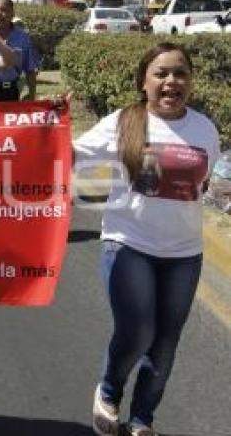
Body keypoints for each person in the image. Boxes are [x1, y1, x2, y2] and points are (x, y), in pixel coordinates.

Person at [74, 43, 220, 436]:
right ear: (144, 81)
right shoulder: (124, 121)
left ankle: (142, 418)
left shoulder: (205, 129)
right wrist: (51, 120)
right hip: (128, 243)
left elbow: (206, 188)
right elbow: (71, 155)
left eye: (180, 74)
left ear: (190, 81)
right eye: (161, 73)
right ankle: (109, 390)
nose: (171, 81)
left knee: (166, 343)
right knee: (138, 331)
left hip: (185, 254)